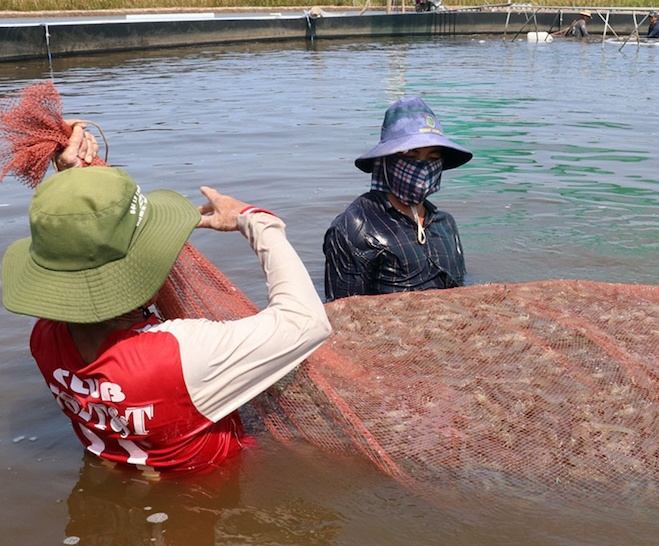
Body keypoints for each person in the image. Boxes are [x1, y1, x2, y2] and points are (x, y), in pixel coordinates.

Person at [1, 126, 331, 473]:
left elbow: (78, 253)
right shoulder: (183, 352)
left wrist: (72, 176)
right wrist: (256, 221)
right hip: (209, 487)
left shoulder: (44, 338)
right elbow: (306, 322)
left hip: (121, 474)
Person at [323, 96, 473, 300]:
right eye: (410, 156)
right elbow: (343, 312)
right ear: (386, 161)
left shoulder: (445, 224)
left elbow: (461, 291)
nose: (422, 168)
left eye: (433, 157)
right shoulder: (356, 228)